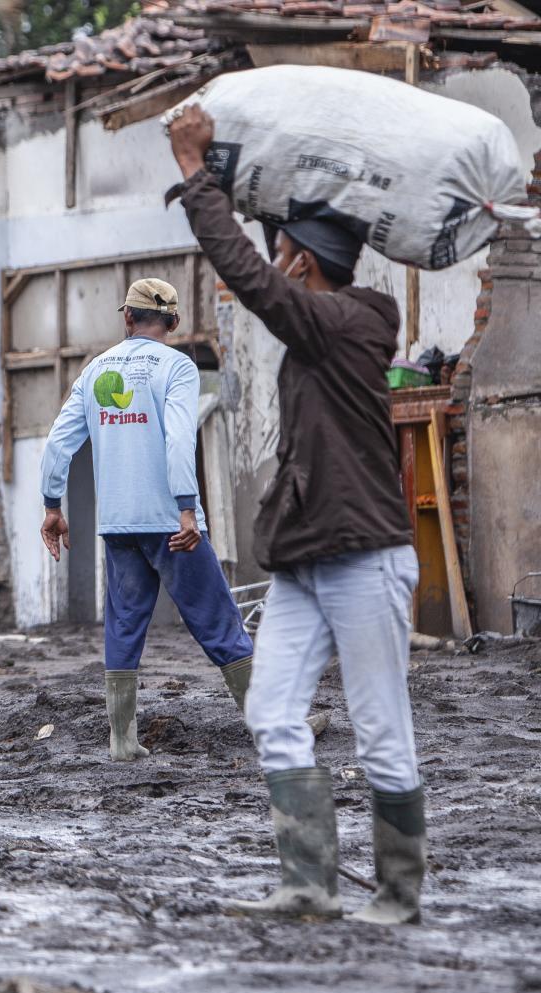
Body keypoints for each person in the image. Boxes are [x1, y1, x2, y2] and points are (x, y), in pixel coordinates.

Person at [168, 104, 424, 924]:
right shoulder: (325, 323)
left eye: (282, 253)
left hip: (365, 554)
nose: (272, 265)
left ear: (303, 265)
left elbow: (247, 274)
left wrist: (195, 174)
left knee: (381, 727)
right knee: (272, 709)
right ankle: (308, 885)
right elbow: (257, 264)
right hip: (308, 557)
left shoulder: (341, 326)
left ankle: (398, 895)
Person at [40, 278, 256, 762]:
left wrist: (53, 507)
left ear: (127, 318)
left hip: (117, 522)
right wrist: (186, 507)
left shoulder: (95, 370)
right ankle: (271, 726)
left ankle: (121, 740)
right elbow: (180, 440)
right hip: (169, 520)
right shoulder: (177, 367)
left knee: (123, 623)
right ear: (174, 322)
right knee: (217, 617)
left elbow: (58, 444)